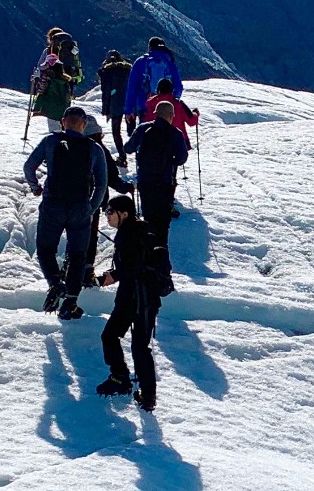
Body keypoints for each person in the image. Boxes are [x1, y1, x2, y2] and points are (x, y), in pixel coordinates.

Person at [22, 106, 109, 319]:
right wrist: (92, 207)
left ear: (62, 122)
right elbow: (102, 184)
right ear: (84, 124)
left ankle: (54, 283)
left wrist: (35, 188)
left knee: (45, 249)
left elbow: (29, 167)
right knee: (78, 255)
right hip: (80, 207)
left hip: (53, 204)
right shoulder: (94, 148)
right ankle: (70, 301)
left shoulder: (50, 142)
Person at [93, 195, 169, 412]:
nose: (107, 216)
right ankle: (130, 385)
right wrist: (116, 275)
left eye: (110, 212)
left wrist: (113, 276)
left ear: (123, 214)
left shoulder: (131, 234)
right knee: (119, 339)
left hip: (139, 299)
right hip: (136, 298)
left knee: (134, 346)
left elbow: (134, 267)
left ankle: (137, 389)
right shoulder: (137, 231)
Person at [123, 99, 190, 249]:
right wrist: (170, 161)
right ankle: (161, 254)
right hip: (164, 182)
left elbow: (127, 148)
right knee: (162, 221)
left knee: (148, 218)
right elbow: (181, 158)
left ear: (156, 114)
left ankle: (148, 253)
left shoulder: (143, 129)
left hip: (145, 181)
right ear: (171, 116)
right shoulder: (175, 133)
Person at [124, 36, 183, 119]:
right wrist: (173, 101)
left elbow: (132, 87)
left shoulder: (140, 62)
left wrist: (129, 109)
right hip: (166, 107)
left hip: (145, 106)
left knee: (147, 130)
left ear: (149, 47)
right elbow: (178, 86)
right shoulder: (169, 62)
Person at [98, 49, 133, 154]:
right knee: (132, 131)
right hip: (130, 103)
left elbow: (107, 93)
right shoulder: (129, 70)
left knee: (116, 132)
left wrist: (106, 111)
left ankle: (122, 156)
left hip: (115, 104)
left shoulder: (106, 72)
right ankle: (135, 151)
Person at [30, 58, 74, 134]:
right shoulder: (65, 80)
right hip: (64, 110)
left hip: (51, 109)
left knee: (54, 131)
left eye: (47, 65)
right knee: (62, 130)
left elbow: (41, 94)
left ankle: (56, 144)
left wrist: (36, 109)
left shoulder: (47, 78)